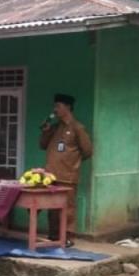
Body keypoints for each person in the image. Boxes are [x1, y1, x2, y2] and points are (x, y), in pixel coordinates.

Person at [39, 93, 93, 246]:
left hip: (67, 176)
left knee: (67, 208)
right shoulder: (55, 128)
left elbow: (88, 151)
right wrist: (46, 130)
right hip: (50, 176)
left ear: (67, 107)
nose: (55, 110)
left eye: (58, 106)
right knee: (52, 208)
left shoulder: (77, 128)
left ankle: (68, 236)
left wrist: (72, 163)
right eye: (54, 106)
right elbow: (42, 145)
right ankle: (54, 235)